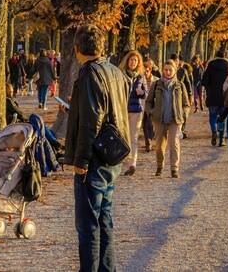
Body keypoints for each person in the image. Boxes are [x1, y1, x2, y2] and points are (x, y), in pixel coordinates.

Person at [65, 24, 130, 272]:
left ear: (78, 48)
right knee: (104, 219)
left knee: (88, 224)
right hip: (112, 155)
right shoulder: (114, 71)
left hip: (95, 157)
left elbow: (92, 121)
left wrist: (80, 161)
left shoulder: (90, 73)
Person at [145, 60, 190, 178]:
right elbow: (148, 102)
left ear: (175, 71)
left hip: (175, 119)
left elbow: (186, 104)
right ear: (162, 70)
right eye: (165, 70)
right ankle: (160, 166)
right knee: (159, 146)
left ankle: (174, 169)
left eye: (170, 70)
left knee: (174, 143)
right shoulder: (156, 85)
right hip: (159, 119)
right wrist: (151, 113)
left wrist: (184, 114)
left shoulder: (180, 85)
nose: (168, 72)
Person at [119, 50, 146, 176]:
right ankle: (119, 161)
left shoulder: (141, 77)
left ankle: (132, 164)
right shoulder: (120, 74)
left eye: (135, 60)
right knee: (122, 137)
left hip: (136, 110)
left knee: (134, 137)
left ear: (138, 63)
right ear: (127, 61)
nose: (133, 62)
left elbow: (147, 93)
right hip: (122, 110)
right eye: (131, 60)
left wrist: (142, 93)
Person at [201, 50, 228, 146]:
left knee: (212, 116)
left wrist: (209, 88)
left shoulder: (210, 66)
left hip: (212, 95)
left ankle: (214, 131)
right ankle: (221, 139)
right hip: (224, 97)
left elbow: (204, 81)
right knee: (223, 117)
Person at [141, 58, 158, 152]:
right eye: (143, 72)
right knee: (144, 125)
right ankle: (148, 143)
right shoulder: (140, 80)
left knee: (150, 124)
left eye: (146, 71)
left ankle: (150, 140)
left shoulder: (156, 80)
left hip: (152, 106)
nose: (145, 73)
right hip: (142, 105)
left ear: (150, 70)